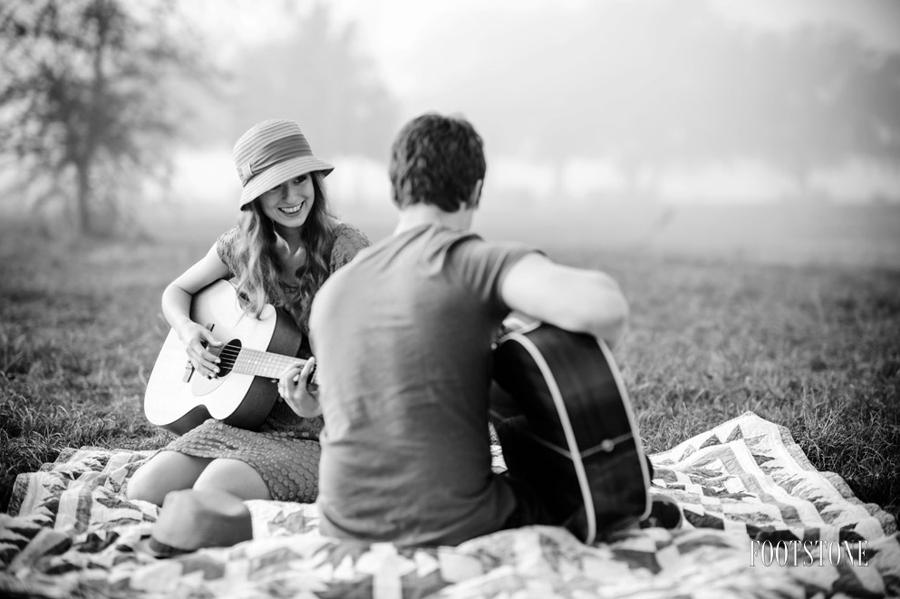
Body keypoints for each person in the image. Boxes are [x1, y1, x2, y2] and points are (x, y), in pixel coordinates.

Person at [308, 112, 642, 547]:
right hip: (450, 526)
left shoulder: (335, 290)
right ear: (476, 190)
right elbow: (603, 308)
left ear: (395, 189)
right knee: (614, 482)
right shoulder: (468, 262)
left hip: (342, 525)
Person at [127, 119, 369, 506]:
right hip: (247, 418)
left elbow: (377, 345)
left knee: (213, 489)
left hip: (324, 426)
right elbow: (177, 291)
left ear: (315, 183)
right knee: (144, 489)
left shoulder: (345, 248)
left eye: (300, 180)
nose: (292, 196)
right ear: (255, 196)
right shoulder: (241, 246)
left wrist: (321, 399)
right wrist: (188, 331)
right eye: (275, 186)